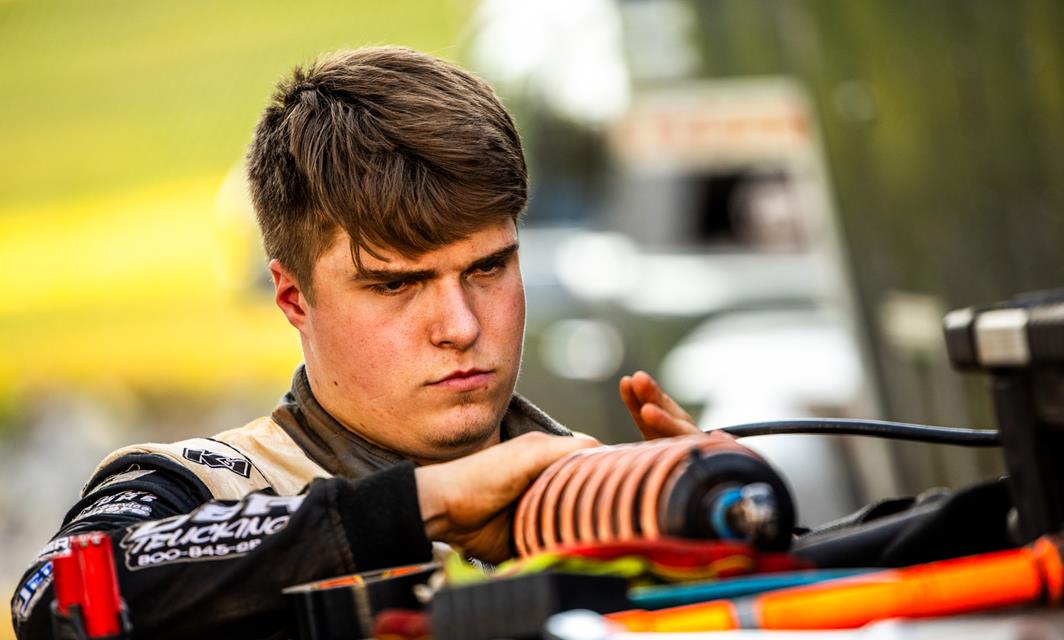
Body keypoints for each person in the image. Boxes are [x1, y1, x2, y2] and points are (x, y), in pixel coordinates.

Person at [10, 46, 695, 638]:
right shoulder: (206, 486)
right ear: (293, 297)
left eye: (487, 268)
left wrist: (729, 540)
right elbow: (54, 597)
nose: (460, 325)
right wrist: (423, 503)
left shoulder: (605, 497)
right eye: (396, 285)